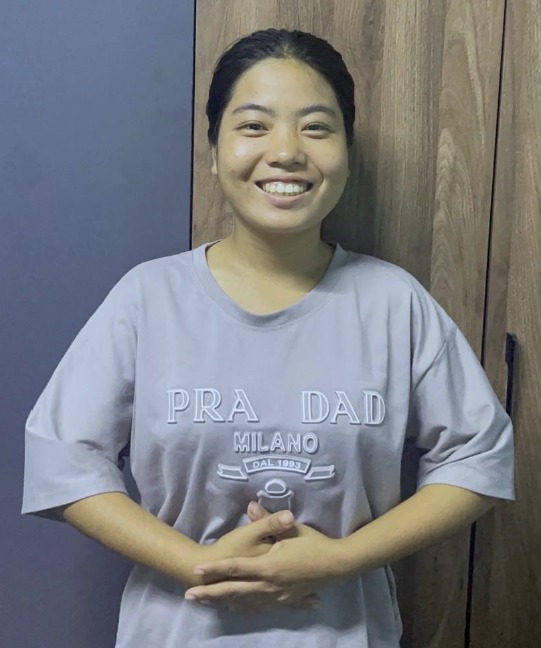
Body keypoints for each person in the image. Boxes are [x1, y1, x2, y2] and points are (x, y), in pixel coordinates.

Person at [22, 28, 515, 648]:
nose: (285, 152)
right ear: (213, 150)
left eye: (316, 127)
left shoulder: (395, 302)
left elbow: (479, 458)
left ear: (347, 151)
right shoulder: (148, 297)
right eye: (254, 126)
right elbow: (62, 459)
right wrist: (197, 565)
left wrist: (342, 559)